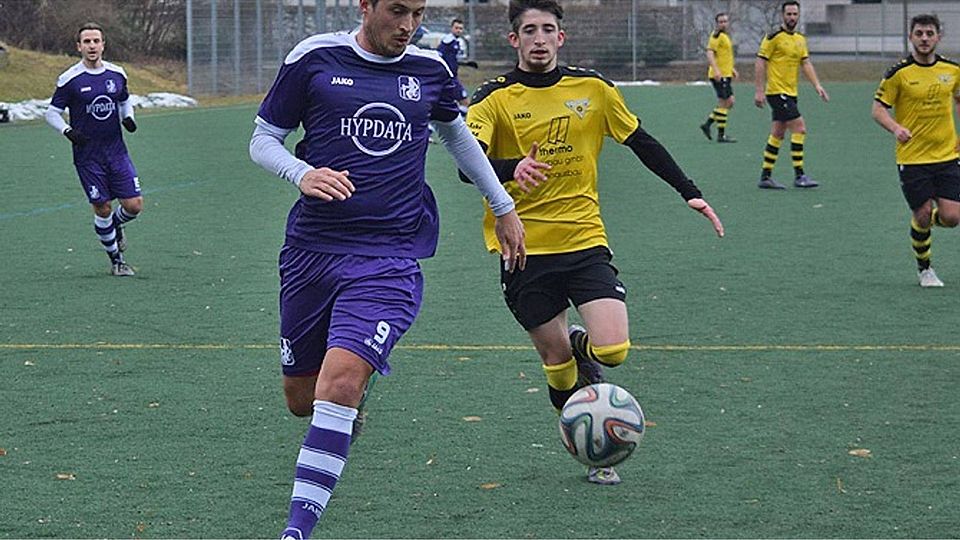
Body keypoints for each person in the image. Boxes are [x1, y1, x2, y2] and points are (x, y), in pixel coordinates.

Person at [248, 1, 525, 537]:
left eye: (418, 13)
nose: (409, 26)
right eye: (398, 11)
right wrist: (301, 173)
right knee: (301, 400)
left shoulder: (430, 71)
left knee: (341, 384)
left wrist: (503, 205)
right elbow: (262, 139)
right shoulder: (314, 58)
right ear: (366, 6)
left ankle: (295, 530)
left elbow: (457, 136)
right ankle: (349, 391)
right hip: (312, 250)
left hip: (390, 258)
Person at [462, 0, 724, 485]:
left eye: (548, 29)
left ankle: (585, 347)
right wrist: (510, 167)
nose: (538, 38)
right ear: (513, 40)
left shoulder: (593, 88)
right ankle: (591, 453)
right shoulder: (492, 98)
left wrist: (690, 192)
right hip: (524, 249)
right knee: (557, 368)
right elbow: (465, 165)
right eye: (528, 31)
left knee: (615, 350)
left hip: (584, 238)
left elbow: (641, 140)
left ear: (561, 37)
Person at [45, 22, 141, 276]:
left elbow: (124, 100)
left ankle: (115, 226)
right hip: (88, 156)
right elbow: (51, 114)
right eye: (86, 42)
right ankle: (116, 261)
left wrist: (127, 117)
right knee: (103, 207)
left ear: (103, 44)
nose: (91, 46)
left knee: (134, 206)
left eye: (96, 41)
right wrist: (67, 131)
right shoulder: (70, 79)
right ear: (79, 46)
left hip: (116, 151)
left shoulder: (117, 74)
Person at [871, 14, 960, 288]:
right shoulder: (898, 73)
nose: (924, 38)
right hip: (913, 158)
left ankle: (926, 221)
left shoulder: (953, 70)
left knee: (952, 218)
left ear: (938, 37)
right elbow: (877, 109)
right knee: (921, 213)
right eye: (919, 33)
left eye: (929, 33)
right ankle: (925, 269)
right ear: (911, 37)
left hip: (947, 155)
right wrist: (896, 128)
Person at [753, 1, 829, 190]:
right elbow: (760, 62)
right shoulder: (773, 38)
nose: (792, 17)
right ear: (782, 15)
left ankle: (765, 176)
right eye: (789, 14)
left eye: (795, 14)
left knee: (778, 133)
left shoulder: (800, 40)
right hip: (777, 92)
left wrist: (817, 85)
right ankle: (799, 175)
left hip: (791, 93)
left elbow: (806, 63)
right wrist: (759, 90)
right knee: (800, 128)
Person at [699, 12, 738, 143]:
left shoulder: (724, 36)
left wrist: (731, 69)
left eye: (725, 21)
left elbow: (723, 55)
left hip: (726, 74)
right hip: (719, 75)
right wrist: (716, 70)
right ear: (717, 23)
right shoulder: (716, 36)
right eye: (721, 22)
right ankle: (721, 135)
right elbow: (710, 53)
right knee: (724, 102)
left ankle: (707, 124)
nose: (723, 24)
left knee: (730, 101)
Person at [436, 17, 478, 113]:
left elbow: (454, 59)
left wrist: (467, 63)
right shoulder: (448, 41)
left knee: (454, 102)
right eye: (456, 28)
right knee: (465, 102)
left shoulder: (457, 41)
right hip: (448, 78)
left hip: (452, 77)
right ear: (451, 28)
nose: (459, 30)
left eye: (460, 28)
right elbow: (439, 56)